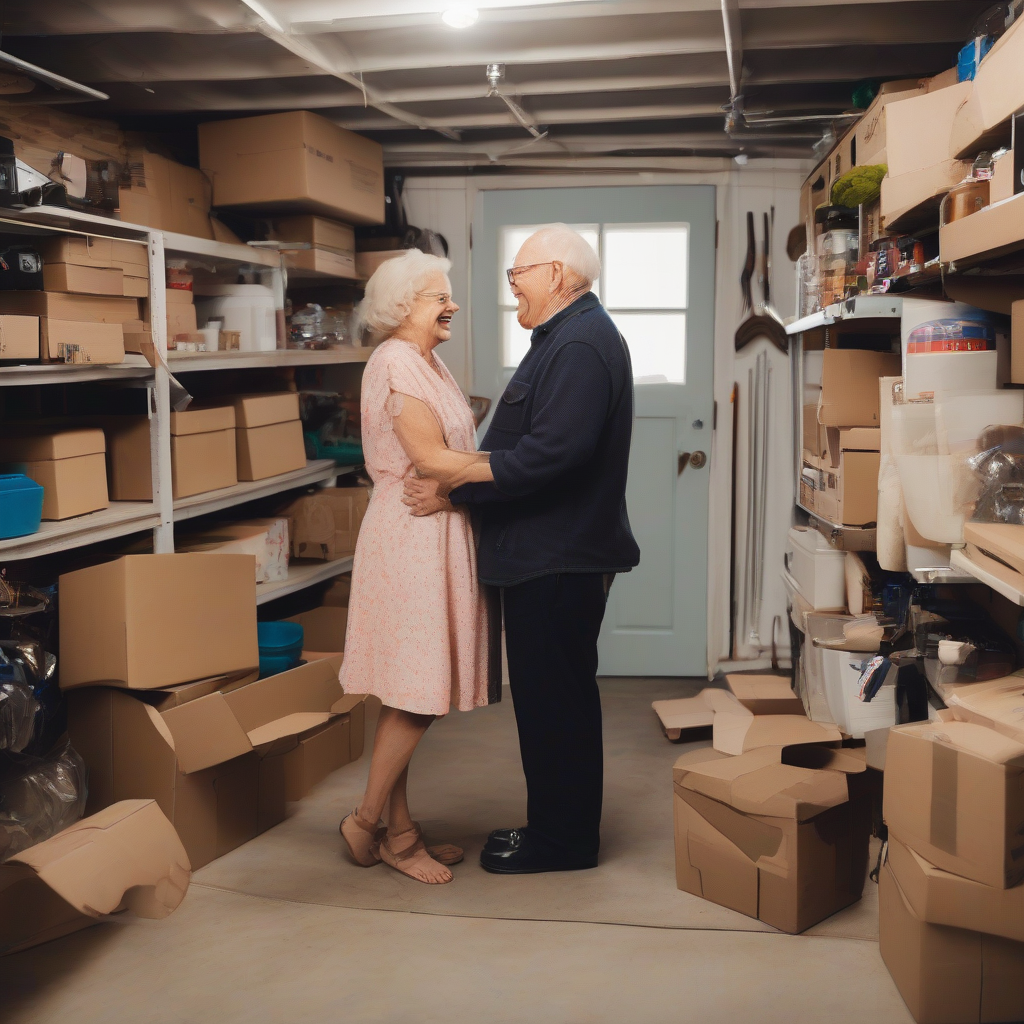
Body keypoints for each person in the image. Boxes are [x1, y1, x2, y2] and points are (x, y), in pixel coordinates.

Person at [403, 223, 640, 874]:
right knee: (549, 703)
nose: (513, 290)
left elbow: (552, 454)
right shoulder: (564, 337)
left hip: (557, 556)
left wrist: (453, 475)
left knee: (555, 704)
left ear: (559, 275)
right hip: (548, 554)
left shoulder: (582, 343)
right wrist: (466, 489)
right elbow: (532, 448)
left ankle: (562, 843)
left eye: (518, 276)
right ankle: (554, 829)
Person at [338, 249, 499, 885]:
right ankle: (366, 819)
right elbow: (431, 460)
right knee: (418, 692)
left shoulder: (427, 361)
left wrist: (484, 473)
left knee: (411, 685)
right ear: (404, 308)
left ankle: (400, 834)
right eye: (438, 297)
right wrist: (520, 469)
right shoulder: (396, 361)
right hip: (411, 536)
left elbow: (452, 458)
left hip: (433, 531)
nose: (451, 305)